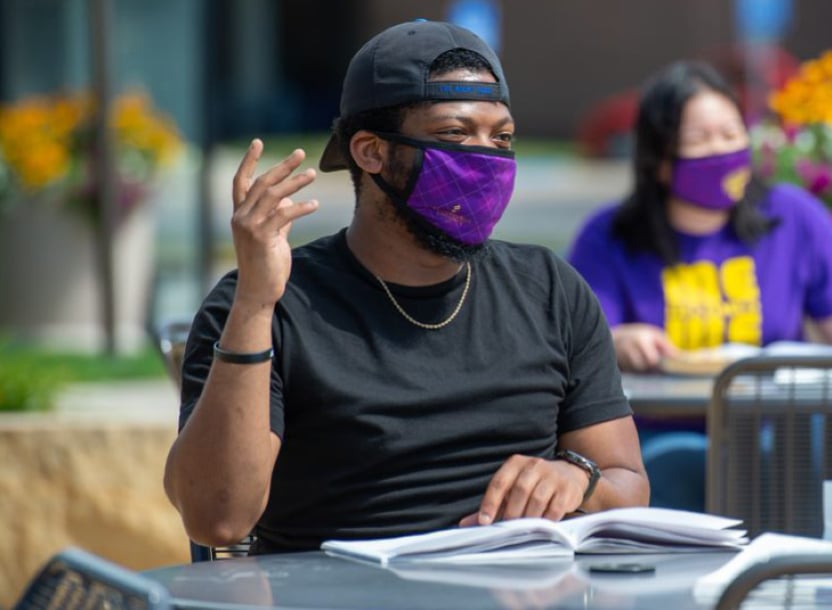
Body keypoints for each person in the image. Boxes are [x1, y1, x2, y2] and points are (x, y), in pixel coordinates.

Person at [163, 21, 647, 555]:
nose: (487, 158)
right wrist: (256, 300)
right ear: (370, 153)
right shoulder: (268, 303)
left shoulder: (550, 288)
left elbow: (628, 482)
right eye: (455, 135)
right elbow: (217, 520)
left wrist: (578, 479)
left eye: (501, 137)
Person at [566, 61, 832, 511]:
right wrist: (619, 339)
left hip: (776, 433)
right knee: (680, 467)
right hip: (664, 435)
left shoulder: (791, 216)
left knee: (814, 447)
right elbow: (577, 347)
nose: (721, 151)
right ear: (660, 161)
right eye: (700, 141)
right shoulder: (607, 236)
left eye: (731, 134)